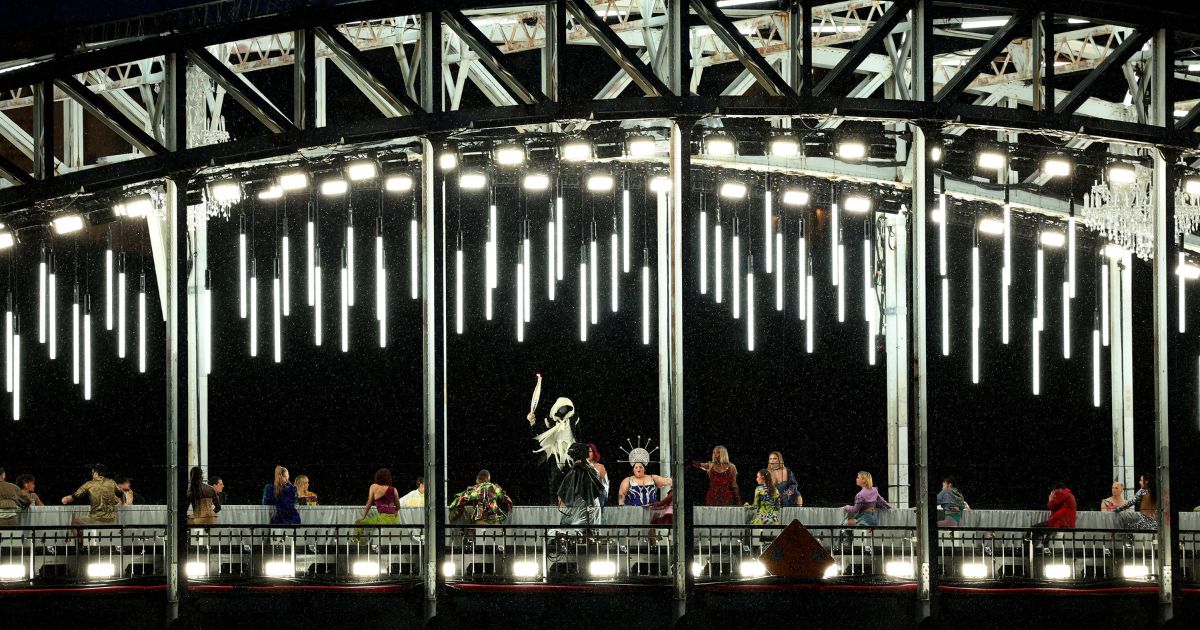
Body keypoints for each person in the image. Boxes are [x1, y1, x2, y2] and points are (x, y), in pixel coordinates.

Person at [526, 394, 585, 500]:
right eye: (562, 408)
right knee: (555, 478)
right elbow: (538, 431)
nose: (564, 410)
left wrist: (580, 455)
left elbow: (579, 437)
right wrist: (532, 421)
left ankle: (570, 500)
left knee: (571, 477)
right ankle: (553, 502)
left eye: (566, 408)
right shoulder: (551, 420)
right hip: (556, 451)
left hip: (570, 451)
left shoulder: (574, 419)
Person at [62, 464, 121, 535]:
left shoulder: (89, 484)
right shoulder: (112, 482)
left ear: (96, 473)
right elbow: (120, 493)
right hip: (111, 519)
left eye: (92, 473)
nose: (92, 474)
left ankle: (80, 543)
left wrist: (65, 499)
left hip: (95, 518)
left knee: (75, 522)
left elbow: (74, 497)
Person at [557, 443, 605, 526]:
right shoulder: (585, 469)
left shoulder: (579, 469)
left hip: (584, 503)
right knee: (590, 528)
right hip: (588, 503)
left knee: (583, 527)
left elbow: (566, 490)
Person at [448, 470, 513, 526]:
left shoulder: (475, 489)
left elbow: (462, 499)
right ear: (489, 478)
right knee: (495, 539)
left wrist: (455, 509)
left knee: (481, 538)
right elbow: (503, 499)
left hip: (481, 520)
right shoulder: (496, 488)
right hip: (495, 520)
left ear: (478, 479)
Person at [1030, 482, 1076, 549]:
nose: (1053, 492)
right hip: (1066, 522)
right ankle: (1044, 547)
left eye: (1054, 490)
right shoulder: (1069, 495)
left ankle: (1029, 548)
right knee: (1046, 531)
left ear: (1059, 489)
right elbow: (1056, 508)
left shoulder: (1063, 493)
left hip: (1060, 521)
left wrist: (1050, 499)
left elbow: (1051, 506)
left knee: (1034, 528)